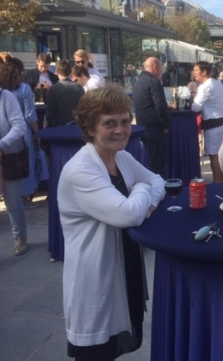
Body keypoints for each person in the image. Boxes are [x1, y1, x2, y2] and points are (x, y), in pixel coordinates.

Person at [58, 84, 165, 360]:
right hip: (96, 277)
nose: (120, 130)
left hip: (124, 268)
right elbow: (127, 213)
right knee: (95, 353)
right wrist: (141, 193)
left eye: (125, 122)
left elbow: (158, 180)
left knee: (113, 347)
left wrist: (146, 200)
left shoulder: (122, 158)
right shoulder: (81, 170)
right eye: (110, 124)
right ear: (90, 128)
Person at [0, 55, 48, 208]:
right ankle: (24, 198)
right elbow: (30, 115)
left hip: (4, 131)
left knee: (6, 166)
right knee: (24, 164)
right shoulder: (24, 89)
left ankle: (9, 197)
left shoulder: (3, 91)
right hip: (22, 132)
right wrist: (36, 132)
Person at [0, 59, 30, 255]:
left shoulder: (6, 97)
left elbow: (20, 125)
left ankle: (20, 236)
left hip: (9, 155)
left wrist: (2, 144)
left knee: (11, 200)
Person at [192, 61, 223, 183]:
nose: (194, 74)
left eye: (197, 71)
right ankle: (222, 179)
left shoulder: (204, 87)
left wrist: (192, 97)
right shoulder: (216, 83)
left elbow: (195, 107)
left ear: (204, 72)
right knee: (220, 154)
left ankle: (217, 182)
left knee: (213, 155)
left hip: (213, 124)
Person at [132, 57, 171, 178]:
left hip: (143, 126)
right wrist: (166, 124)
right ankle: (159, 190)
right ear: (155, 68)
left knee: (149, 162)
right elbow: (160, 106)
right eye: (161, 68)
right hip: (155, 128)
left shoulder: (138, 83)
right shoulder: (154, 82)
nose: (162, 71)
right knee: (157, 165)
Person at [45, 60, 85, 128]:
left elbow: (50, 114)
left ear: (57, 72)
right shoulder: (80, 88)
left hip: (61, 130)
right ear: (70, 72)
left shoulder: (54, 89)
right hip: (78, 128)